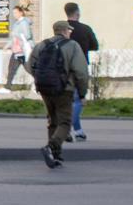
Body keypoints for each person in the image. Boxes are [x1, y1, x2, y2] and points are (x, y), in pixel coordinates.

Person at [28, 20, 89, 169]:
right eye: (69, 30)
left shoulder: (42, 45)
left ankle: (55, 155)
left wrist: (41, 78)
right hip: (64, 90)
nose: (70, 33)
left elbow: (30, 65)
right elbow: (81, 71)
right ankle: (51, 147)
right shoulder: (72, 46)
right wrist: (82, 93)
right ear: (65, 31)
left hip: (45, 89)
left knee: (52, 121)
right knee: (64, 122)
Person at [64, 2, 99, 141]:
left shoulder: (62, 28)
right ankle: (65, 129)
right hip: (81, 66)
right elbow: (94, 46)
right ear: (77, 12)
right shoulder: (85, 29)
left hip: (64, 67)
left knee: (68, 100)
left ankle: (78, 131)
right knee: (78, 99)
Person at [0, 5, 33, 91]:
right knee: (14, 68)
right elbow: (14, 39)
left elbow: (27, 35)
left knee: (26, 68)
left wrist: (16, 34)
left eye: (16, 12)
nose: (14, 14)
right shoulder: (17, 23)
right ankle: (7, 86)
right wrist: (7, 45)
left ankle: (7, 87)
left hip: (22, 50)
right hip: (18, 50)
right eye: (13, 13)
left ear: (21, 13)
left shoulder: (23, 23)